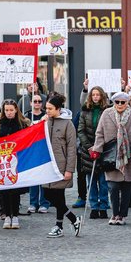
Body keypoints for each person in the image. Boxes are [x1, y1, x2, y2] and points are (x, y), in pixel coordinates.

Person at [90, 92, 131, 226]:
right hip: (111, 155)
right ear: (114, 102)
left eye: (123, 102)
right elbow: (100, 132)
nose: (120, 105)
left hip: (128, 155)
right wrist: (97, 149)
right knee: (113, 187)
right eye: (117, 102)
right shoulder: (106, 113)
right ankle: (114, 213)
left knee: (126, 188)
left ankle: (122, 215)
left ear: (127, 103)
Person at [42, 94, 81, 237]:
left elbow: (72, 148)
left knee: (58, 195)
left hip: (61, 165)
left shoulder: (67, 124)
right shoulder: (45, 121)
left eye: (50, 109)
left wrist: (69, 169)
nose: (47, 111)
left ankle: (59, 226)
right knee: (48, 194)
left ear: (58, 109)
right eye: (46, 108)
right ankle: (73, 219)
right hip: (47, 165)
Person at [0, 99, 29, 229]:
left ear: (16, 110)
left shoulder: (22, 124)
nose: (8, 113)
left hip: (16, 160)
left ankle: (15, 215)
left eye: (11, 110)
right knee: (4, 189)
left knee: (15, 189)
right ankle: (7, 215)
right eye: (6, 110)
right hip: (2, 159)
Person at [78, 86, 110, 218]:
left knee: (103, 182)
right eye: (93, 95)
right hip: (88, 150)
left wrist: (100, 146)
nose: (96, 97)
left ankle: (103, 206)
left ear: (102, 96)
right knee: (91, 181)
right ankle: (93, 207)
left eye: (98, 95)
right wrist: (89, 147)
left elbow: (109, 129)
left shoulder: (107, 111)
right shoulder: (85, 111)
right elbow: (80, 130)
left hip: (104, 149)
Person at [24, 94, 50, 214]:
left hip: (43, 149)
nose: (37, 103)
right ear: (31, 103)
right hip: (31, 149)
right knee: (33, 178)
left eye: (40, 101)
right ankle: (33, 202)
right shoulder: (26, 116)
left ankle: (44, 202)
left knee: (44, 177)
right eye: (35, 101)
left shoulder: (47, 115)